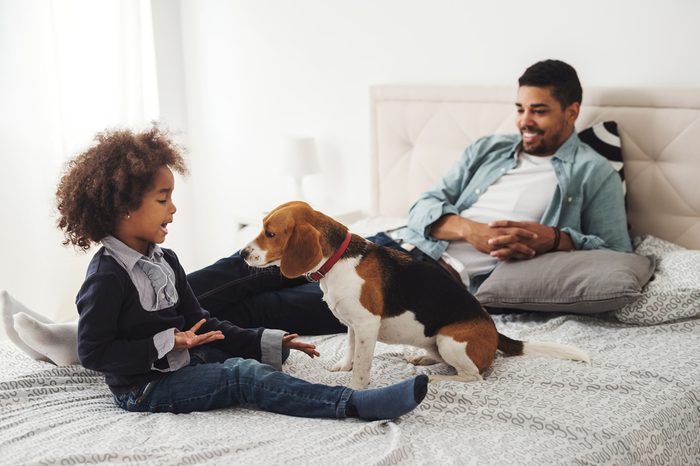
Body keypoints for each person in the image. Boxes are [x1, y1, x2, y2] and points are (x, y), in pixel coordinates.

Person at [3, 59, 630, 366]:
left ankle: (110, 342)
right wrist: (464, 225)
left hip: (440, 285)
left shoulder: (592, 171)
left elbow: (615, 247)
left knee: (261, 302)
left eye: (540, 111)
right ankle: (114, 329)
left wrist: (551, 238)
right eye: (520, 108)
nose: (524, 121)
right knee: (244, 264)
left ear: (572, 113)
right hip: (389, 251)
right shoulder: (488, 150)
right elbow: (423, 207)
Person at [2, 127, 428, 420]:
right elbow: (96, 355)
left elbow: (201, 322)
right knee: (245, 376)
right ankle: (353, 404)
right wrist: (168, 340)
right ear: (123, 207)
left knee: (247, 353)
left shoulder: (164, 261)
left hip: (178, 362)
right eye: (163, 198)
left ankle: (67, 335)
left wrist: (271, 339)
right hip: (143, 387)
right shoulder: (105, 279)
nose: (174, 208)